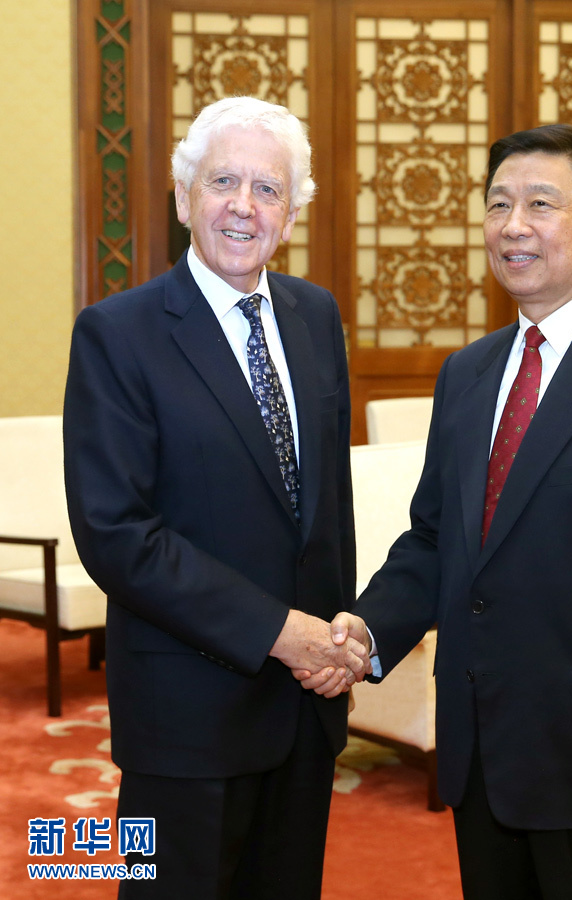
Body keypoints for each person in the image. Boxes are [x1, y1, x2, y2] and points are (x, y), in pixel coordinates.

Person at [299, 124, 572, 899]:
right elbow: (436, 539)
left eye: (541, 204)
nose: (513, 226)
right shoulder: (467, 374)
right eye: (499, 204)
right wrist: (365, 634)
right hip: (480, 744)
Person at [63, 96, 370, 900]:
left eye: (267, 189)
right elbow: (117, 534)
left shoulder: (315, 316)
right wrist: (278, 632)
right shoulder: (117, 333)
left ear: (291, 213)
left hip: (305, 707)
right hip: (186, 716)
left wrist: (337, 637)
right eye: (222, 182)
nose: (243, 206)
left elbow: (326, 505)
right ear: (183, 197)